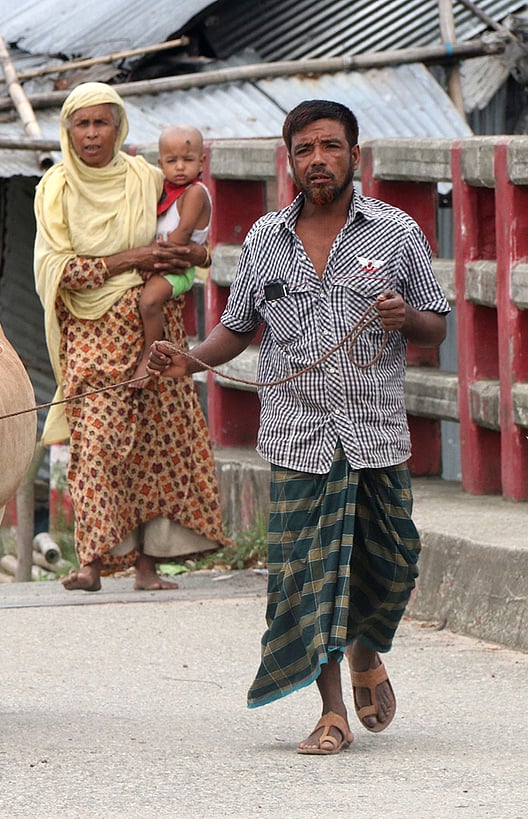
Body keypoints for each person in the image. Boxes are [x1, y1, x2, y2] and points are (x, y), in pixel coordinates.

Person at [148, 99, 449, 754]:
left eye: (330, 147)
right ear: (290, 160)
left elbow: (437, 322)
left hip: (374, 431)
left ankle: (367, 647)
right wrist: (190, 360)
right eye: (305, 150)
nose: (318, 160)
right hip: (298, 436)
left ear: (354, 155)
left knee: (396, 559)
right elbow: (237, 327)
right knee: (305, 577)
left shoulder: (396, 232)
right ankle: (332, 710)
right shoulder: (263, 240)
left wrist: (406, 319)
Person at [33, 82, 229, 593]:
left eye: (103, 122)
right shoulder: (55, 189)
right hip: (91, 340)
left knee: (153, 449)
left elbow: (198, 246)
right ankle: (92, 562)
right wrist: (131, 261)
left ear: (120, 128)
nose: (93, 133)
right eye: (83, 123)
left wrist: (194, 257)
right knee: (95, 447)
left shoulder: (147, 178)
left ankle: (148, 567)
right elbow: (60, 270)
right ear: (68, 130)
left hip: (156, 337)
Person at [131, 124, 212, 384]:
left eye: (187, 160)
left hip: (178, 269)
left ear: (202, 162)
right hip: (161, 264)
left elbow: (182, 234)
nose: (179, 167)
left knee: (149, 301)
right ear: (160, 163)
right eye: (172, 160)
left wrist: (152, 265)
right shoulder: (163, 191)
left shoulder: (195, 193)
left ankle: (150, 356)